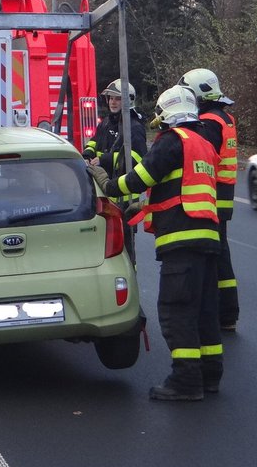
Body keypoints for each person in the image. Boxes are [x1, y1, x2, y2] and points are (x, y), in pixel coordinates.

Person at [87, 85, 222, 401]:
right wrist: (145, 206)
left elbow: (136, 179)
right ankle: (210, 375)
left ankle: (186, 382)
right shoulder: (202, 143)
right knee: (204, 310)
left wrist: (104, 179)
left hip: (180, 241)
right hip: (207, 239)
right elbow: (179, 187)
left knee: (177, 311)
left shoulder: (172, 142)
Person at [179, 68, 239, 331]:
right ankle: (227, 313)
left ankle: (223, 313)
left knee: (215, 256)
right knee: (221, 253)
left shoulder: (210, 122)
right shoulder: (223, 117)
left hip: (212, 196)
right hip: (223, 195)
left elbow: (202, 156)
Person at [83, 79, 147, 262]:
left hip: (124, 199)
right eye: (110, 98)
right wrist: (88, 153)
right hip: (104, 193)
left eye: (118, 98)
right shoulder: (106, 123)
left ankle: (130, 281)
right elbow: (95, 141)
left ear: (128, 100)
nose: (112, 102)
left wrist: (104, 160)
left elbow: (137, 159)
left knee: (126, 252)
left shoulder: (133, 127)